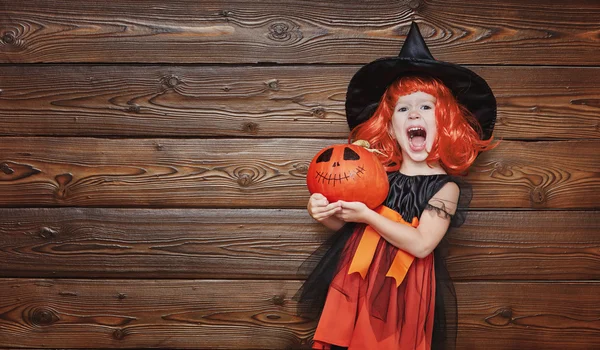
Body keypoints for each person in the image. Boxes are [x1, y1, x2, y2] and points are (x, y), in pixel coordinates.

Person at [297, 22, 497, 350]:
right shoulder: (376, 174)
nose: (414, 114)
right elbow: (348, 226)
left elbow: (420, 245)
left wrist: (368, 216)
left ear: (444, 121)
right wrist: (322, 212)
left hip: (404, 289)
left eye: (425, 107)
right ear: (390, 126)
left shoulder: (446, 188)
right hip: (357, 279)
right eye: (403, 108)